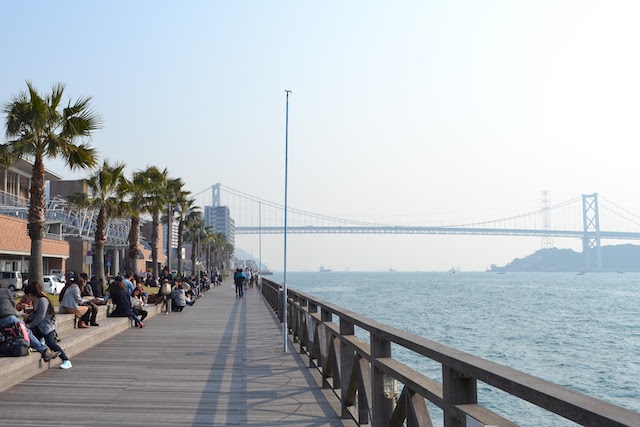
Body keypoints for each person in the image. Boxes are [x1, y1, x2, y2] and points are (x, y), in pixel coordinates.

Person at [0, 288, 59, 361]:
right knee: (26, 331)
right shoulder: (5, 291)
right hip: (9, 316)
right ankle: (44, 350)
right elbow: (12, 303)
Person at [23, 282, 72, 369]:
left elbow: (41, 316)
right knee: (29, 336)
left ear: (30, 294)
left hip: (47, 327)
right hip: (40, 326)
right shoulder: (35, 301)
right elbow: (35, 314)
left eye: (27, 296)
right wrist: (28, 317)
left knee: (51, 344)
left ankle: (66, 360)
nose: (27, 298)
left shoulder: (42, 300)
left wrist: (29, 325)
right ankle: (41, 344)